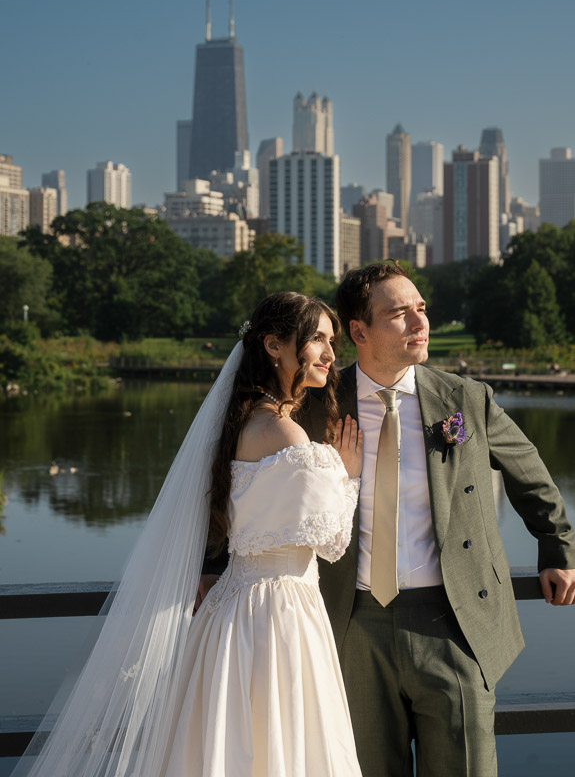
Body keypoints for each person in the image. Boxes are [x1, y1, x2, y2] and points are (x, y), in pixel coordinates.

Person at [15, 292, 363, 777]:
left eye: (332, 341)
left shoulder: (245, 422)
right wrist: (346, 476)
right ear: (275, 345)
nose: (330, 353)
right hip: (278, 613)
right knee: (281, 742)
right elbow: (329, 539)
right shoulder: (284, 434)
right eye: (318, 339)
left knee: (228, 742)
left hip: (234, 609)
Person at [300, 261, 575, 777]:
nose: (420, 323)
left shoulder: (466, 400)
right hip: (351, 622)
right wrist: (212, 565)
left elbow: (532, 477)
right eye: (399, 314)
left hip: (454, 621)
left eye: (421, 309)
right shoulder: (314, 405)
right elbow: (252, 489)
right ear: (358, 331)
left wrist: (558, 549)